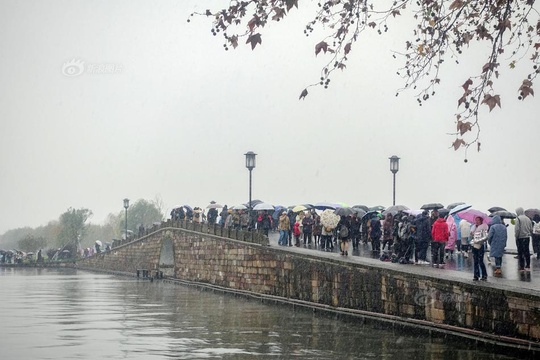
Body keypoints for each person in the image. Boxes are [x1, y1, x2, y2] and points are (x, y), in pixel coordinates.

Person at [471, 216, 489, 281]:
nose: (477, 221)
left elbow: (486, 237)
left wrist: (478, 241)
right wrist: (472, 235)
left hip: (480, 246)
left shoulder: (483, 228)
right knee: (475, 261)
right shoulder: (474, 228)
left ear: (481, 221)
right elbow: (474, 237)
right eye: (476, 220)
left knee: (480, 261)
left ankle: (484, 275)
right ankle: (476, 275)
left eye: (478, 220)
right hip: (474, 246)